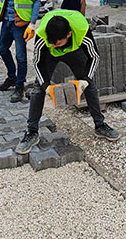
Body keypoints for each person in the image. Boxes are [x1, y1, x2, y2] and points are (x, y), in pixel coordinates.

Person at [15, 9, 120, 154]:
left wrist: (85, 80)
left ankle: (100, 125)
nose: (53, 45)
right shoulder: (43, 35)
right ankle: (32, 132)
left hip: (73, 51)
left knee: (89, 85)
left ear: (69, 34)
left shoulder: (81, 30)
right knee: (38, 89)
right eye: (51, 42)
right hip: (49, 56)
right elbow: (37, 62)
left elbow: (94, 57)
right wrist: (46, 86)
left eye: (56, 43)